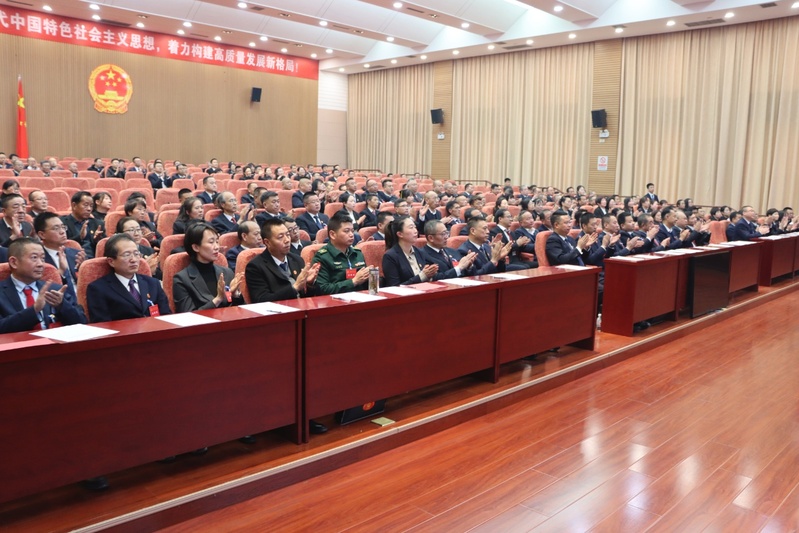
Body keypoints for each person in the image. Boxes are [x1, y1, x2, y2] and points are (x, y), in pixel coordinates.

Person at [0, 237, 86, 334]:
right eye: (34, 258)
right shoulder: (2, 293)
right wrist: (34, 310)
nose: (41, 264)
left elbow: (82, 321)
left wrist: (62, 305)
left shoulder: (55, 290)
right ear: (14, 262)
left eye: (43, 258)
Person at [86, 234, 171, 322]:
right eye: (127, 255)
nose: (133, 260)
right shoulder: (98, 289)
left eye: (136, 254)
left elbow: (166, 317)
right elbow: (102, 325)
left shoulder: (153, 284)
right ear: (111, 262)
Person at [246, 218, 320, 303]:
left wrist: (310, 284)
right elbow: (261, 300)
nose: (287, 240)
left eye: (288, 235)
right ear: (267, 242)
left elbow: (307, 298)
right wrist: (294, 287)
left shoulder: (297, 259)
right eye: (280, 237)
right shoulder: (255, 266)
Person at [172, 223, 243, 312]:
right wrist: (217, 299)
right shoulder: (182, 279)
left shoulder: (227, 272)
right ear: (196, 247)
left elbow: (241, 311)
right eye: (211, 242)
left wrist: (235, 296)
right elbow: (188, 316)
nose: (217, 247)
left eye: (217, 241)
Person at [311, 212, 370, 294]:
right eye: (346, 231)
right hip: (335, 300)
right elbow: (323, 289)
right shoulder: (322, 257)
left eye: (352, 231)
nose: (351, 235)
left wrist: (371, 276)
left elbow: (365, 285)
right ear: (332, 234)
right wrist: (353, 281)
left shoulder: (357, 253)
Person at [34, 212, 85, 294]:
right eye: (56, 228)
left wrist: (83, 270)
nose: (62, 231)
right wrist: (61, 272)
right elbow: (42, 288)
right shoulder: (38, 260)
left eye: (63, 227)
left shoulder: (76, 254)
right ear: (42, 234)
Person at [382, 217, 438, 286]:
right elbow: (394, 287)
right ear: (400, 234)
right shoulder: (390, 256)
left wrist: (431, 274)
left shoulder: (419, 252)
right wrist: (422, 276)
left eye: (415, 227)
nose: (416, 231)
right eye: (411, 228)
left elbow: (427, 277)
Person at [61, 191, 104, 258]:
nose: (89, 209)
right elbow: (62, 244)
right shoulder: (62, 223)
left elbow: (105, 246)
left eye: (91, 206)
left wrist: (97, 240)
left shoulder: (97, 224)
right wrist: (80, 237)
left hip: (94, 259)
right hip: (72, 259)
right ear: (74, 205)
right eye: (85, 205)